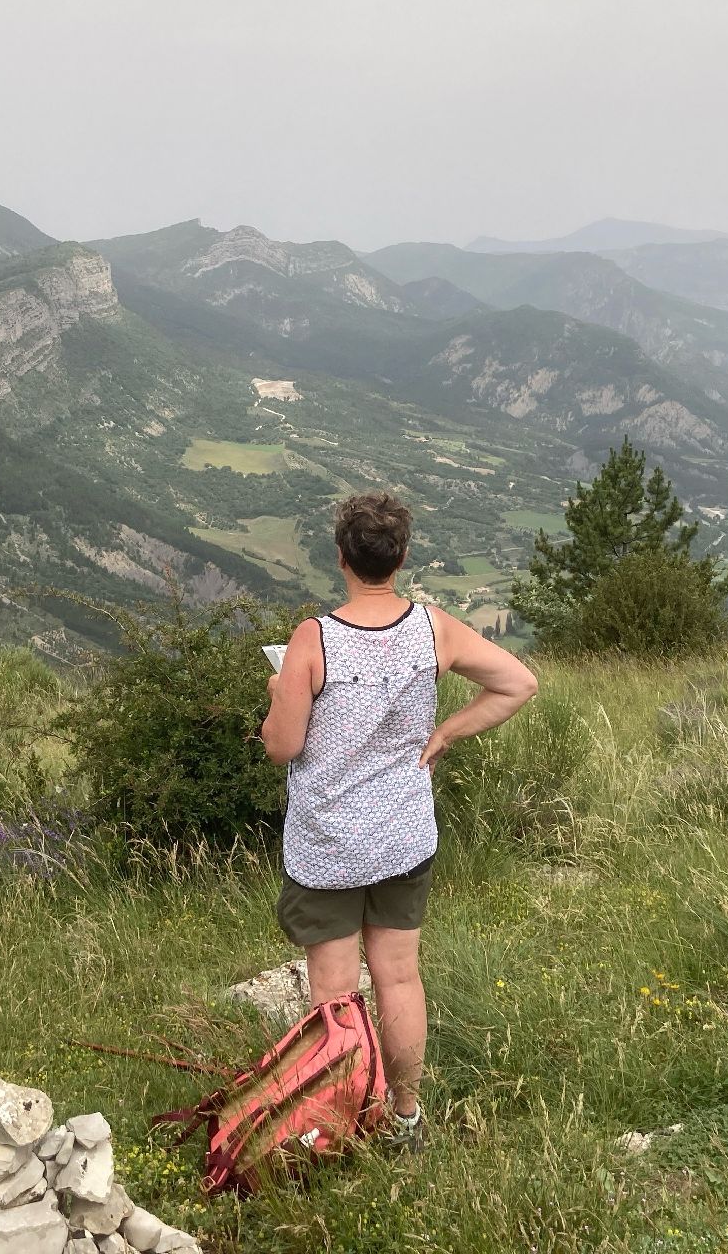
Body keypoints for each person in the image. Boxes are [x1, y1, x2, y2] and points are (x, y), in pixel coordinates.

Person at [259, 491, 539, 1149]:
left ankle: (337, 1125)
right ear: (402, 557)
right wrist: (446, 733)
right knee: (400, 978)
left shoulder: (313, 639)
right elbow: (518, 683)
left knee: (334, 994)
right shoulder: (433, 628)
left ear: (341, 558)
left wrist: (277, 693)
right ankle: (405, 1118)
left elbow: (282, 746)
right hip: (404, 837)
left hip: (328, 844)